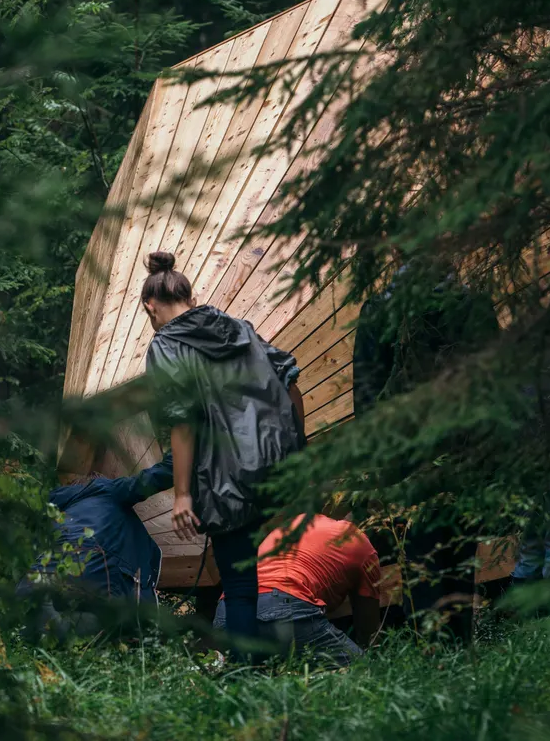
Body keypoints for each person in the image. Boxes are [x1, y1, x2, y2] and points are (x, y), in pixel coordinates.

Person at [140, 251, 306, 662]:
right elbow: (289, 377)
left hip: (223, 476)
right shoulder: (237, 326)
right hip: (270, 464)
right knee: (243, 568)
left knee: (238, 580)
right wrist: (299, 449)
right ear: (191, 299)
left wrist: (182, 495)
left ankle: (246, 672)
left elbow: (183, 421)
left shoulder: (165, 345)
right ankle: (248, 664)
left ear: (150, 306)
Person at [351, 263, 499, 642]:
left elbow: (368, 397)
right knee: (460, 554)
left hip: (405, 459)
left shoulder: (380, 310)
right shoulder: (472, 304)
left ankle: (433, 649)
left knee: (419, 556)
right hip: (463, 452)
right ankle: (461, 644)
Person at [18, 461, 172, 643]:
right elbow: (152, 478)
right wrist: (181, 457)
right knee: (108, 631)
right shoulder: (107, 489)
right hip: (94, 575)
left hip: (40, 579)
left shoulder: (56, 505)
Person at [213, 514, 383, 666]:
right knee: (364, 669)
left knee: (261, 677)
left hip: (228, 611)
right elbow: (368, 625)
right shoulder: (363, 545)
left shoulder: (301, 521)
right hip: (282, 608)